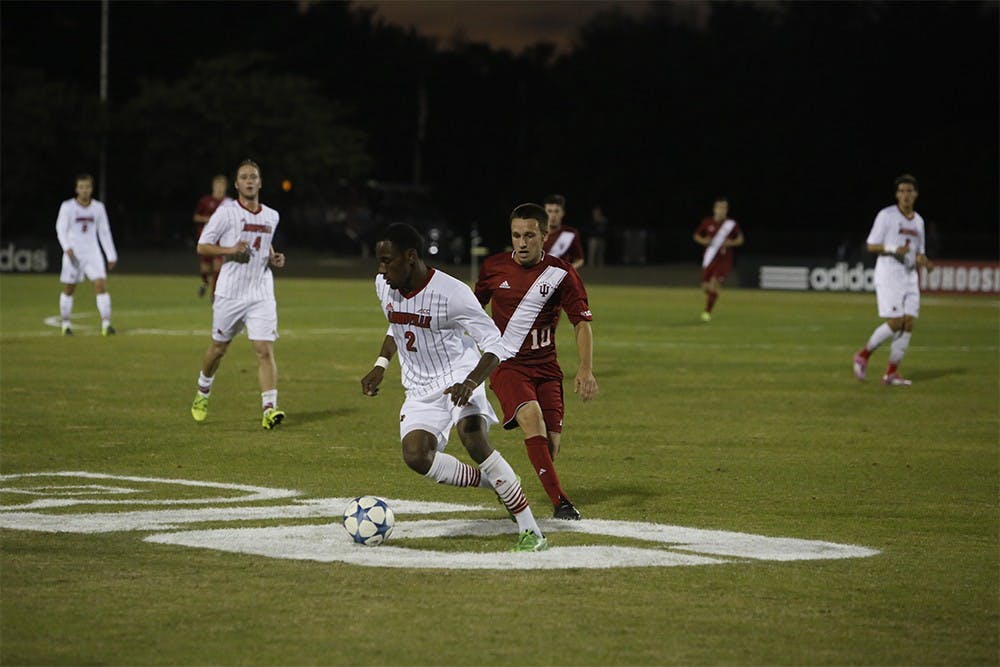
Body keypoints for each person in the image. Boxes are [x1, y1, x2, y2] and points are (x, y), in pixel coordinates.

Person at [360, 223, 548, 552]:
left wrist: (471, 381)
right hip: (419, 388)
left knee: (472, 436)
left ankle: (531, 530)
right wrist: (380, 365)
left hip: (460, 376)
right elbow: (396, 323)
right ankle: (498, 483)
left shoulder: (453, 293)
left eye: (387, 261)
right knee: (417, 457)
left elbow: (495, 343)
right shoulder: (385, 286)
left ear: (411, 257)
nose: (381, 269)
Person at [475, 203, 598, 520]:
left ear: (545, 235)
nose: (522, 242)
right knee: (531, 418)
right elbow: (472, 310)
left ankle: (507, 485)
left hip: (546, 369)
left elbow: (581, 323)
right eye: (516, 235)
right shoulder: (493, 268)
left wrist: (585, 369)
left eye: (529, 235)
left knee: (550, 446)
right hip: (508, 364)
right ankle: (562, 504)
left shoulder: (561, 273)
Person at [190, 159, 287, 429]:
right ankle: (203, 390)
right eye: (244, 177)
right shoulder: (225, 213)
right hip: (230, 293)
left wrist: (273, 258)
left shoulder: (272, 215)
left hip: (261, 292)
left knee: (264, 350)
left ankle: (269, 408)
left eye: (253, 176)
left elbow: (264, 246)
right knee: (219, 349)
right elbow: (203, 246)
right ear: (237, 184)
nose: (249, 181)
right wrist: (231, 249)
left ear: (260, 182)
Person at [853, 174, 934, 386]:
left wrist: (924, 261)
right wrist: (892, 249)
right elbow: (871, 245)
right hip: (889, 274)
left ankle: (891, 373)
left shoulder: (919, 221)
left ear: (916, 194)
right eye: (902, 191)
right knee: (896, 321)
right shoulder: (886, 215)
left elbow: (918, 251)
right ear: (897, 195)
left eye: (909, 191)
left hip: (909, 276)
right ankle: (863, 355)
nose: (906, 195)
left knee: (908, 324)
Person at [55, 173, 118, 336]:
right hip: (73, 254)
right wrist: (67, 247)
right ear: (76, 189)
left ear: (92, 189)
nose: (84, 190)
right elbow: (60, 229)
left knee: (100, 285)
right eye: (81, 187)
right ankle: (66, 324)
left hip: (92, 252)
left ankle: (106, 324)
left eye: (87, 187)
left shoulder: (98, 208)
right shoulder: (68, 207)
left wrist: (111, 254)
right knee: (69, 288)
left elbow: (104, 232)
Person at [692, 196, 744, 322]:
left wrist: (730, 243)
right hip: (709, 258)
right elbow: (696, 236)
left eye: (725, 208)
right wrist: (704, 241)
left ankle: (707, 312)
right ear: (714, 209)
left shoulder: (731, 224)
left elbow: (740, 240)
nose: (722, 210)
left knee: (713, 284)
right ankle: (713, 297)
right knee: (705, 287)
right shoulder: (707, 222)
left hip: (724, 260)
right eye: (720, 207)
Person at [192, 174, 232, 299]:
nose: (220, 188)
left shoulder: (229, 203)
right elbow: (196, 217)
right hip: (206, 240)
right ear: (213, 186)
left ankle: (214, 295)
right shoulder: (206, 201)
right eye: (218, 185)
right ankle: (205, 283)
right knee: (205, 269)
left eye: (222, 186)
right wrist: (209, 220)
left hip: (220, 241)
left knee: (217, 266)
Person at [542, 194, 585, 270]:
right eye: (549, 211)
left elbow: (579, 259)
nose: (553, 215)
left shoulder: (570, 234)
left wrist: (567, 271)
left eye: (557, 211)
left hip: (562, 279)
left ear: (563, 213)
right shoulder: (537, 232)